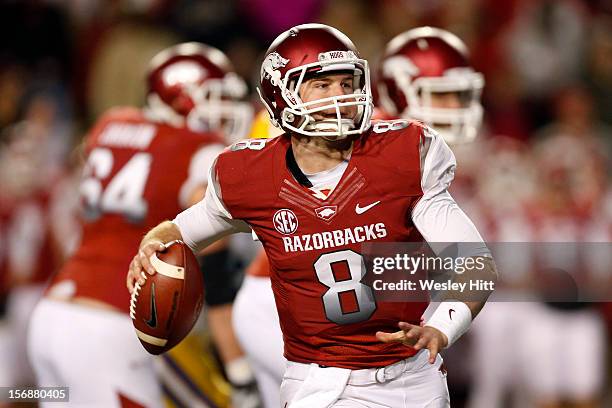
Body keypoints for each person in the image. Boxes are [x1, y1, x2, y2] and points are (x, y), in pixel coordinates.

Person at [128, 23, 497, 408]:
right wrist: (152, 243)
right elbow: (184, 229)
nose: (340, 96)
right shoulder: (248, 174)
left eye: (346, 83)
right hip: (320, 379)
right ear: (281, 94)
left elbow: (474, 262)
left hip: (413, 376)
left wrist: (441, 328)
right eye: (322, 86)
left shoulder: (406, 153)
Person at [233, 26, 487, 408]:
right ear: (402, 90)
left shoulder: (413, 148)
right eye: (444, 94)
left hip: (344, 302)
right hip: (293, 311)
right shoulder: (359, 140)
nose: (455, 106)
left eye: (461, 94)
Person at [27, 42, 253, 407]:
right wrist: (239, 369)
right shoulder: (198, 147)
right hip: (111, 327)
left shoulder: (111, 124)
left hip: (53, 312)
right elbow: (215, 267)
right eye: (214, 97)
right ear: (181, 97)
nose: (225, 111)